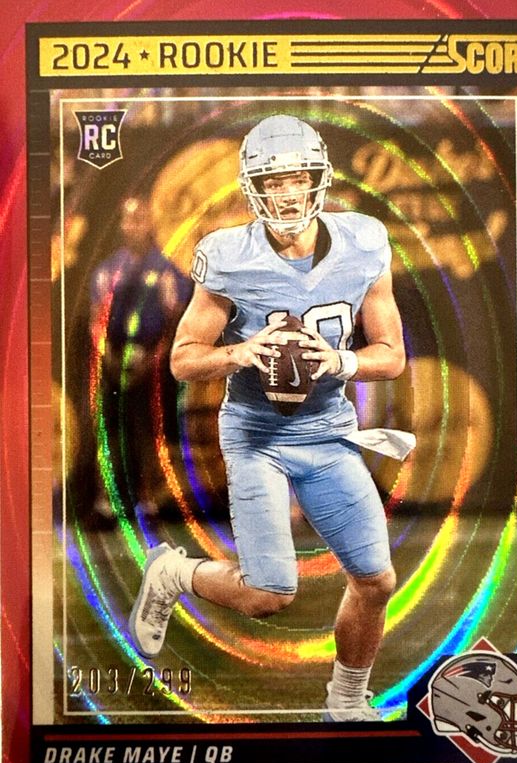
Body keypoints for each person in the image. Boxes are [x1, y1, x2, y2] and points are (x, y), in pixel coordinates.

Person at [129, 115, 406, 721]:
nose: (285, 194)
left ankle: (346, 702)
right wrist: (240, 353)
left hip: (327, 432)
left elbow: (391, 356)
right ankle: (173, 572)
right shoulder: (229, 255)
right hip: (257, 436)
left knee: (376, 580)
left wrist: (340, 360)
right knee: (266, 594)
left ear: (318, 179)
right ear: (252, 188)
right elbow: (182, 360)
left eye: (296, 178)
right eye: (271, 181)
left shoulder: (364, 242)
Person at [87, 194, 193, 522]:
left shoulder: (166, 271)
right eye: (127, 219)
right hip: (113, 361)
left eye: (139, 219)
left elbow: (174, 320)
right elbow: (96, 318)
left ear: (150, 223)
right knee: (109, 430)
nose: (132, 226)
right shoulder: (108, 270)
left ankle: (149, 501)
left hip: (153, 361)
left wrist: (153, 360)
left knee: (150, 431)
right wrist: (109, 356)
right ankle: (107, 501)